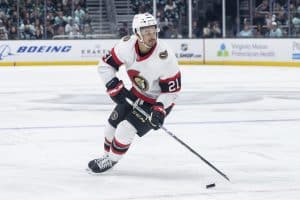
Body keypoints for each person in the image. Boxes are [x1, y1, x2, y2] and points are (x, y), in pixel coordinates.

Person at [88, 13, 181, 173]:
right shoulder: (126, 46)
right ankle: (106, 156)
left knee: (125, 129)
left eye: (153, 31)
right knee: (111, 126)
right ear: (137, 33)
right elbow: (104, 65)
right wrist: (113, 84)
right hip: (136, 93)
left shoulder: (165, 56)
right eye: (146, 32)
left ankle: (111, 160)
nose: (152, 36)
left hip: (156, 102)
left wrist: (160, 109)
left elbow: (172, 91)